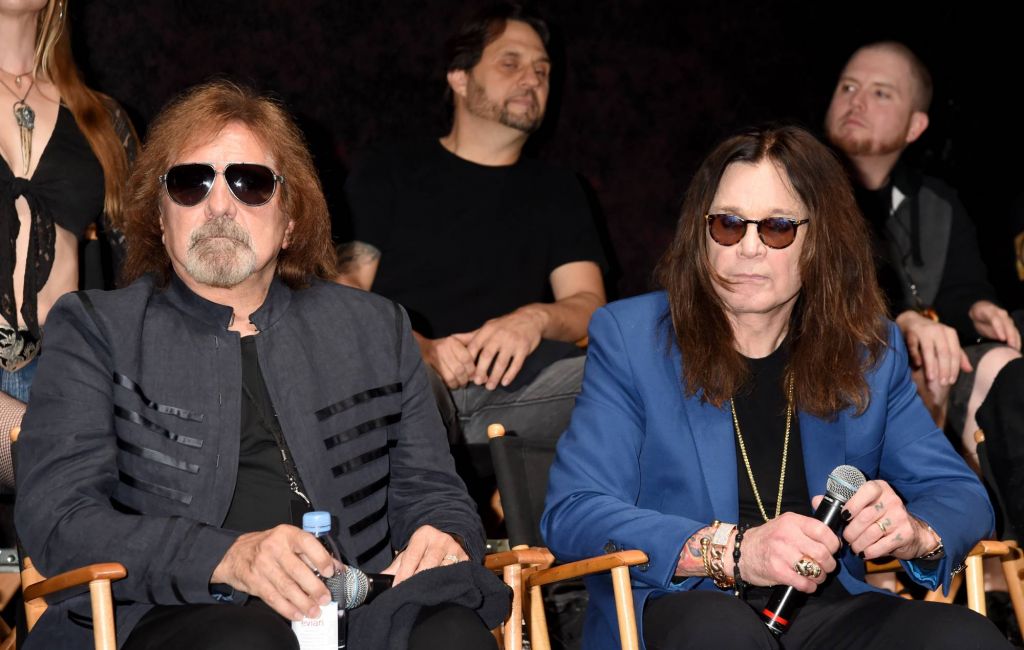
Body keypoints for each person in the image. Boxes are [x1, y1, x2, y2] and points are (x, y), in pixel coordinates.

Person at [14, 81, 505, 650]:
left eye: (250, 183)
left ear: (292, 217)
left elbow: (434, 493)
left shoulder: (377, 329)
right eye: (190, 182)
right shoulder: (97, 329)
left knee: (452, 634)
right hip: (162, 612)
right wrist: (228, 557)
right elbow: (60, 520)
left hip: (359, 609)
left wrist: (442, 534)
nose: (219, 204)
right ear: (158, 214)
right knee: (246, 640)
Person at [540, 125, 1009, 649]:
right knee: (722, 634)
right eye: (727, 224)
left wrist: (914, 532)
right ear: (702, 232)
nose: (748, 248)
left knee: (964, 637)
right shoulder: (631, 338)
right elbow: (573, 510)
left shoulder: (868, 349)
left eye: (778, 228)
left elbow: (962, 496)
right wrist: (734, 550)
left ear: (820, 242)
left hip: (827, 610)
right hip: (683, 607)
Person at [339, 2, 606, 455]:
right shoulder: (390, 169)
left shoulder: (558, 189)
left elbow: (589, 304)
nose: (533, 79)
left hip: (521, 391)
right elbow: (343, 287)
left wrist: (532, 319)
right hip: (407, 377)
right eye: (511, 62)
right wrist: (416, 346)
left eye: (542, 69)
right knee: (398, 385)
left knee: (639, 375)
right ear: (459, 78)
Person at [824, 42, 1021, 466]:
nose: (856, 101)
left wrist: (977, 309)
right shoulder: (797, 187)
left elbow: (961, 290)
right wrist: (901, 323)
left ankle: (998, 525)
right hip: (822, 370)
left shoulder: (935, 202)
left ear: (915, 127)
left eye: (880, 92)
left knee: (1002, 365)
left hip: (923, 378)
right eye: (847, 87)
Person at [0, 0, 136, 491]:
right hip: (36, 425)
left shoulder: (99, 118)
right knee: (54, 465)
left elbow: (144, 263)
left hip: (61, 374)